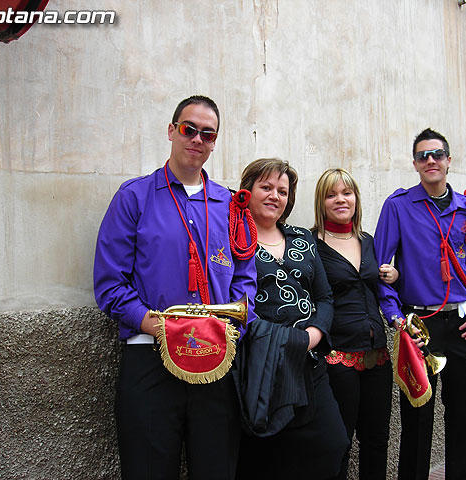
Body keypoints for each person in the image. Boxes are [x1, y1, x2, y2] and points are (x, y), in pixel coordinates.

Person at [93, 95, 258, 480]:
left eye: (207, 133)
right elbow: (110, 283)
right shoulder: (132, 198)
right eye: (188, 129)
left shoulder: (231, 204)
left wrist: (233, 326)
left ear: (215, 142)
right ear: (172, 131)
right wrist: (155, 325)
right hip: (149, 358)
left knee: (216, 470)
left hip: (217, 359)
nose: (197, 139)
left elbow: (245, 278)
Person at [374, 128, 466, 480]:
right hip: (417, 329)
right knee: (417, 420)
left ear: (448, 161)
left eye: (437, 154)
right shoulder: (398, 207)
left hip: (460, 327)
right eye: (423, 156)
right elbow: (380, 269)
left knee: (461, 419)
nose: (430, 160)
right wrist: (395, 317)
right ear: (415, 164)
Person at [235, 158, 348, 480]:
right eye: (266, 187)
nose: (275, 196)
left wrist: (312, 335)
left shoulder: (302, 238)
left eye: (282, 191)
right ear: (248, 190)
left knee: (333, 444)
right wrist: (283, 341)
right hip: (263, 365)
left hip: (309, 362)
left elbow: (324, 297)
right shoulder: (235, 241)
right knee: (269, 455)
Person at [312, 168, 396, 480]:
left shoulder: (368, 240)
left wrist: (393, 277)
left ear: (356, 199)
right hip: (338, 358)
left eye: (346, 193)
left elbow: (376, 287)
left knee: (376, 440)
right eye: (331, 194)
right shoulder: (311, 244)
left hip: (378, 355)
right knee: (339, 442)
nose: (340, 200)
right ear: (322, 202)